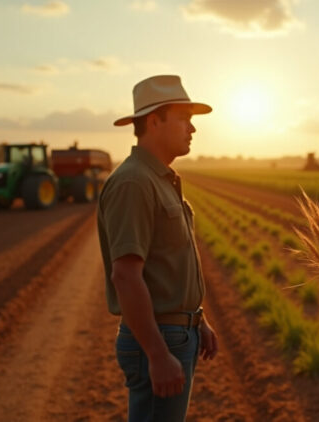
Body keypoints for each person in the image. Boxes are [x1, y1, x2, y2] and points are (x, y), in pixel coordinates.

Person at [98, 74, 219, 422]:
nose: (192, 129)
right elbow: (126, 276)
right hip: (160, 339)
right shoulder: (134, 182)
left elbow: (166, 265)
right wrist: (157, 354)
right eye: (184, 118)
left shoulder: (158, 178)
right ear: (154, 121)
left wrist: (199, 319)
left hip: (176, 333)